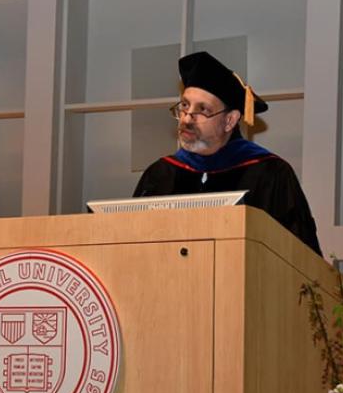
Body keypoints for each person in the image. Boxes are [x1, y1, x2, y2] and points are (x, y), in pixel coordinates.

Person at [133, 51, 322, 256]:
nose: (186, 119)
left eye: (202, 109)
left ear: (230, 120)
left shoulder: (270, 174)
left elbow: (301, 259)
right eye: (185, 106)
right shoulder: (160, 174)